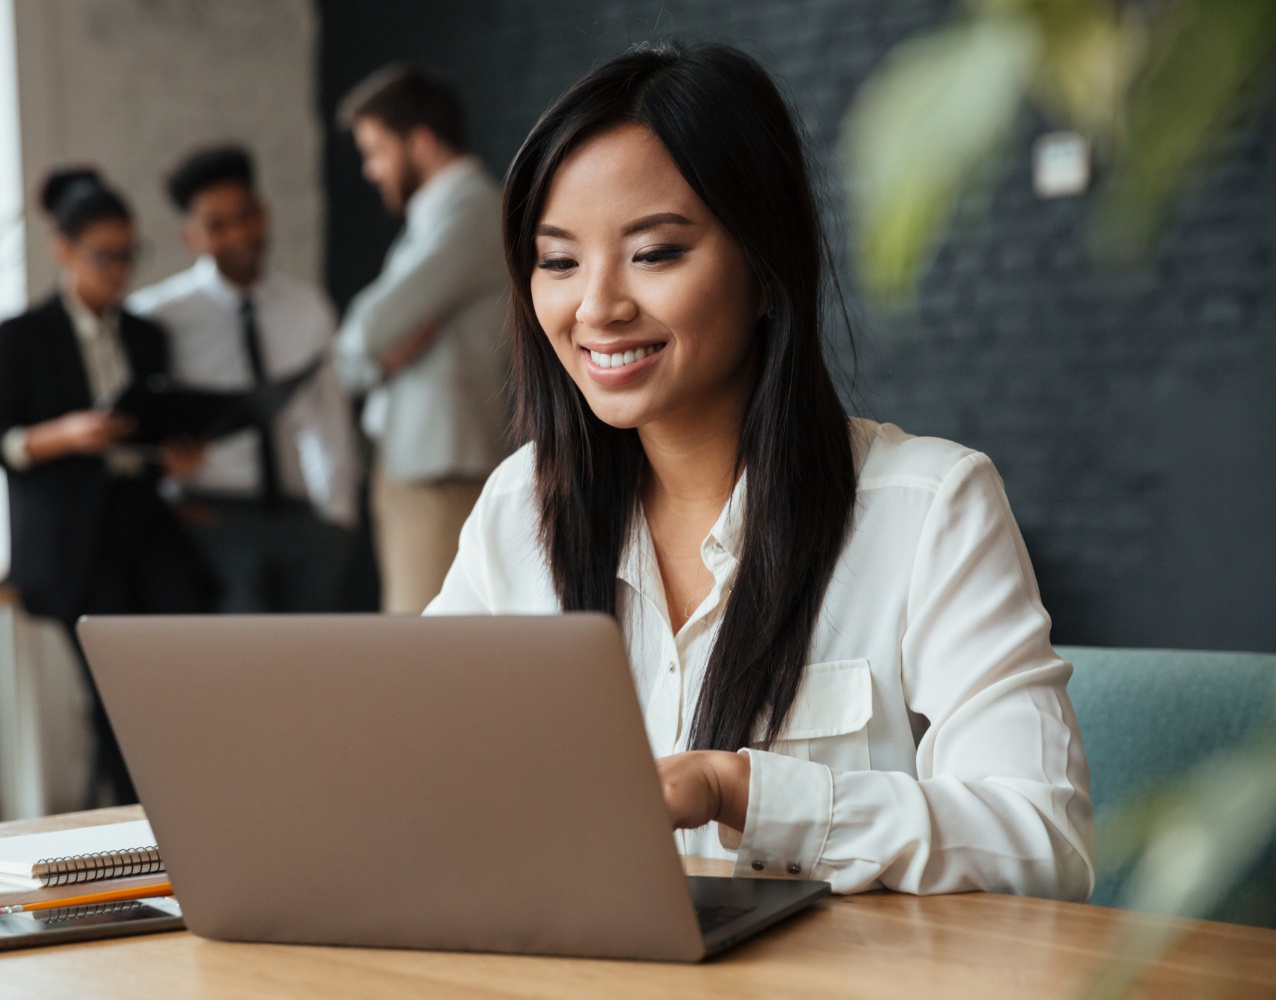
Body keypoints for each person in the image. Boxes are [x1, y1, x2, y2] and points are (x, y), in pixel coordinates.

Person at [426, 43, 1095, 901]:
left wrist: (743, 793)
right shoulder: (519, 508)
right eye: (558, 261)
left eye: (655, 253)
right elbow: (421, 774)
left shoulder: (930, 509)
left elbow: (1045, 845)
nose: (595, 306)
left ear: (767, 269)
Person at [0, 168, 213, 806]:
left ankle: (190, 808)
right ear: (64, 251)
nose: (120, 271)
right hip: (73, 541)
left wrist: (175, 458)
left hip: (143, 523)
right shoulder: (21, 338)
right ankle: (146, 828)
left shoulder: (145, 335)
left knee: (191, 666)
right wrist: (64, 434)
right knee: (120, 693)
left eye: (130, 255)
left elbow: (151, 436)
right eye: (105, 257)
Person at [129, 146, 361, 614]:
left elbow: (328, 417)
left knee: (312, 670)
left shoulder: (307, 308)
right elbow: (143, 425)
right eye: (218, 225)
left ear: (265, 213)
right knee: (238, 672)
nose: (240, 234)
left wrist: (338, 518)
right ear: (190, 235)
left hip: (303, 519)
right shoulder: (159, 316)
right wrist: (168, 500)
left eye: (248, 215)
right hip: (213, 516)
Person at [335, 64, 511, 613]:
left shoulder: (473, 210)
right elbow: (354, 354)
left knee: (421, 651)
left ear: (422, 141)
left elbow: (368, 329)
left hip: (442, 470)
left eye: (376, 150)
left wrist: (371, 354)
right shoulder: (434, 217)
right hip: (420, 464)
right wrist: (372, 359)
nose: (370, 170)